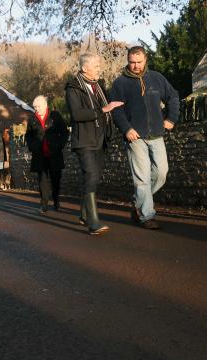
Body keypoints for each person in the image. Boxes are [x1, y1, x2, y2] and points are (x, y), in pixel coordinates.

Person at [110, 46, 179, 229]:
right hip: (135, 136)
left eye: (139, 62)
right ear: (128, 60)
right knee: (141, 178)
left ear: (145, 60)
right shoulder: (120, 83)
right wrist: (126, 129)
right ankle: (147, 216)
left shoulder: (156, 78)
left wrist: (171, 118)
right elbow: (116, 110)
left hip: (157, 134)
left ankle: (139, 202)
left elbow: (173, 96)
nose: (135, 66)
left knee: (161, 173)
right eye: (132, 62)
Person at [65, 53, 123, 235]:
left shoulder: (99, 86)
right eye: (96, 65)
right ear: (84, 68)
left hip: (101, 138)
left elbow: (110, 107)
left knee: (94, 177)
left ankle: (83, 214)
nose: (99, 68)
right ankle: (93, 222)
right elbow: (77, 114)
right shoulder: (73, 87)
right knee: (90, 175)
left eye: (99, 65)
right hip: (84, 140)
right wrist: (103, 109)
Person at [25, 95, 68, 213]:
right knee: (42, 180)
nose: (36, 109)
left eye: (38, 106)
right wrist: (32, 147)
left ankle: (56, 201)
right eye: (35, 107)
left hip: (54, 153)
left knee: (56, 179)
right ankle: (44, 204)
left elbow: (64, 132)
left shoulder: (55, 116)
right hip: (39, 155)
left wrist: (60, 145)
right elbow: (28, 136)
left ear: (45, 105)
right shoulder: (32, 119)